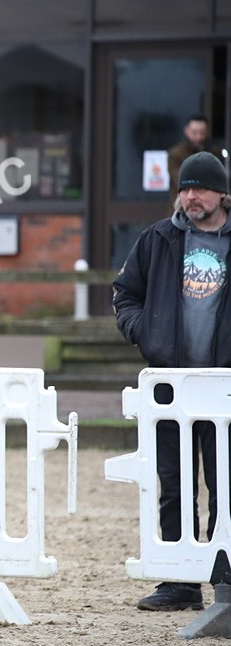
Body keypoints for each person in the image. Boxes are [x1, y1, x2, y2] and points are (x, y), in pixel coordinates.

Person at [113, 151, 231, 612]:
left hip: (224, 386)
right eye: (184, 188)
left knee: (225, 483)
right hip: (171, 385)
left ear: (222, 193)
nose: (190, 196)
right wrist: (145, 333)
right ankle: (180, 581)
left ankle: (225, 574)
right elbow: (125, 293)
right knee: (174, 482)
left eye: (199, 188)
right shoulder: (158, 239)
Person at [168, 115, 220, 200]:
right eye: (194, 132)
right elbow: (180, 180)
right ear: (186, 131)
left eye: (202, 133)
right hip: (182, 204)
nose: (199, 137)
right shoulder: (176, 154)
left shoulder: (215, 152)